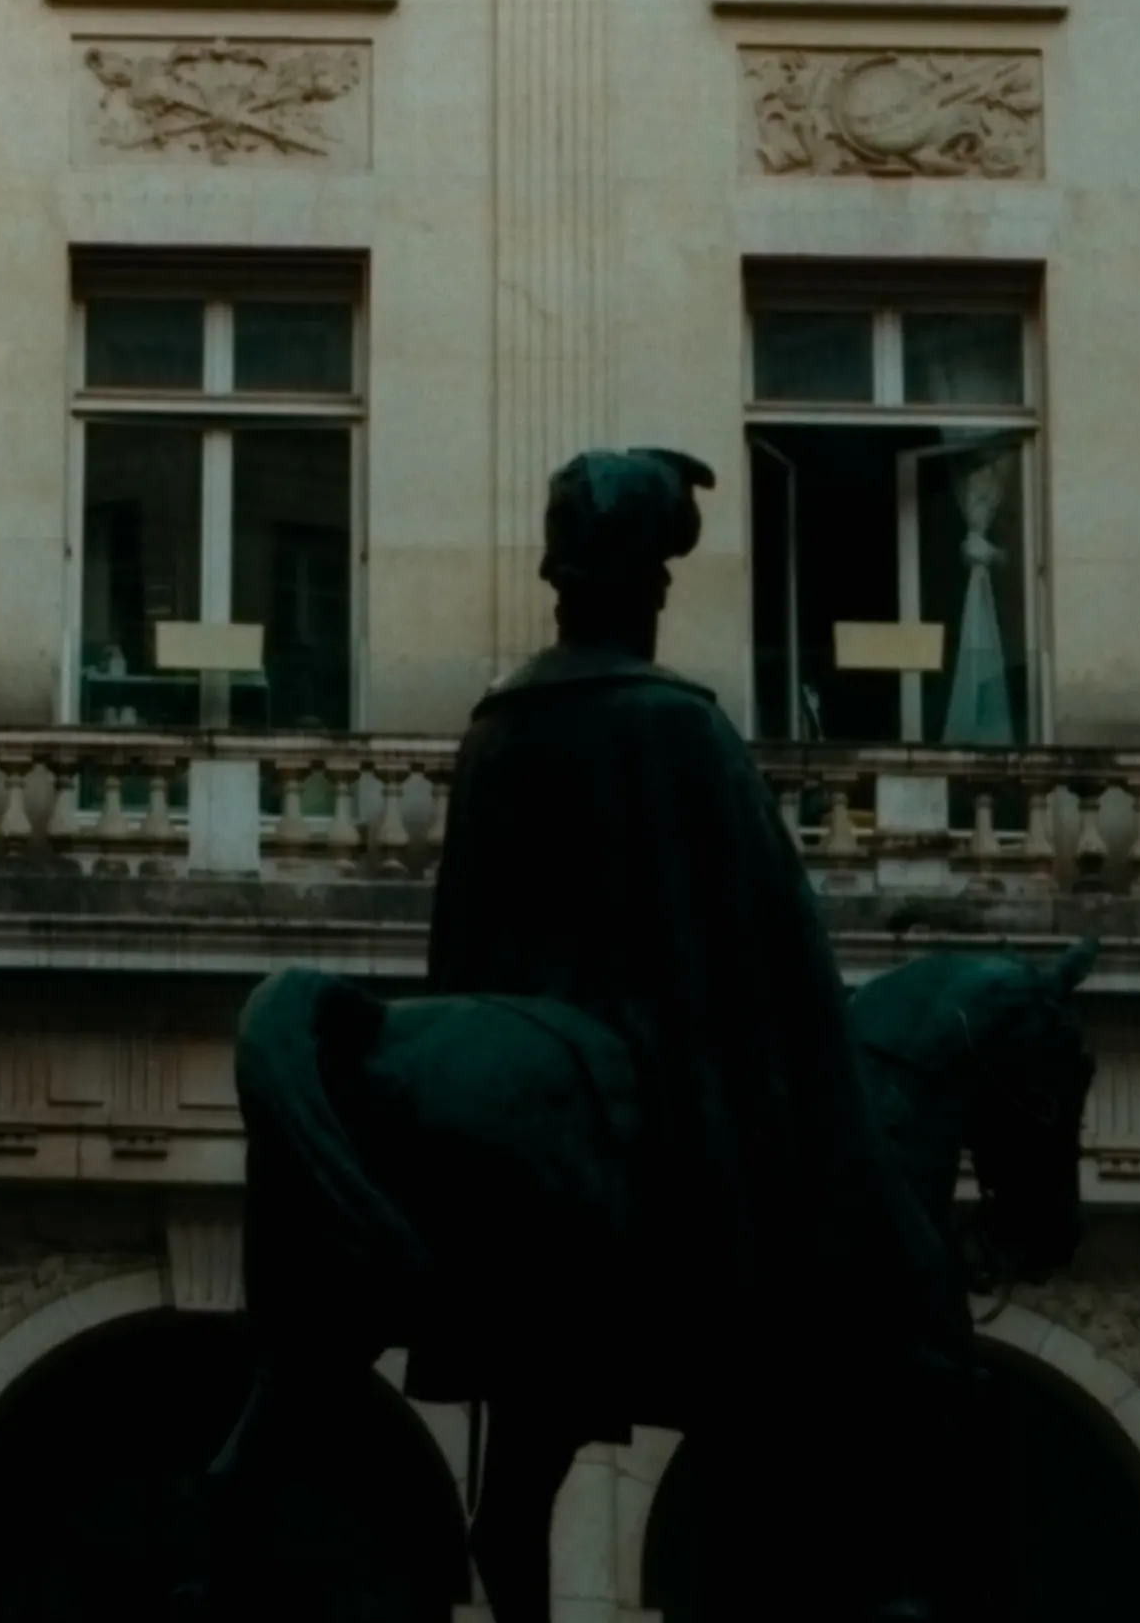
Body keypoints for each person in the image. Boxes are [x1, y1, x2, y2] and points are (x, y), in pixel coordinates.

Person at [425, 446, 963, 1612]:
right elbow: (780, 943)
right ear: (640, 588)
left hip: (542, 1067)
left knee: (527, 1433)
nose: (664, 600)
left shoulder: (502, 724)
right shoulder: (677, 727)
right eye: (661, 580)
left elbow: (463, 939)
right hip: (665, 1076)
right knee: (789, 1308)